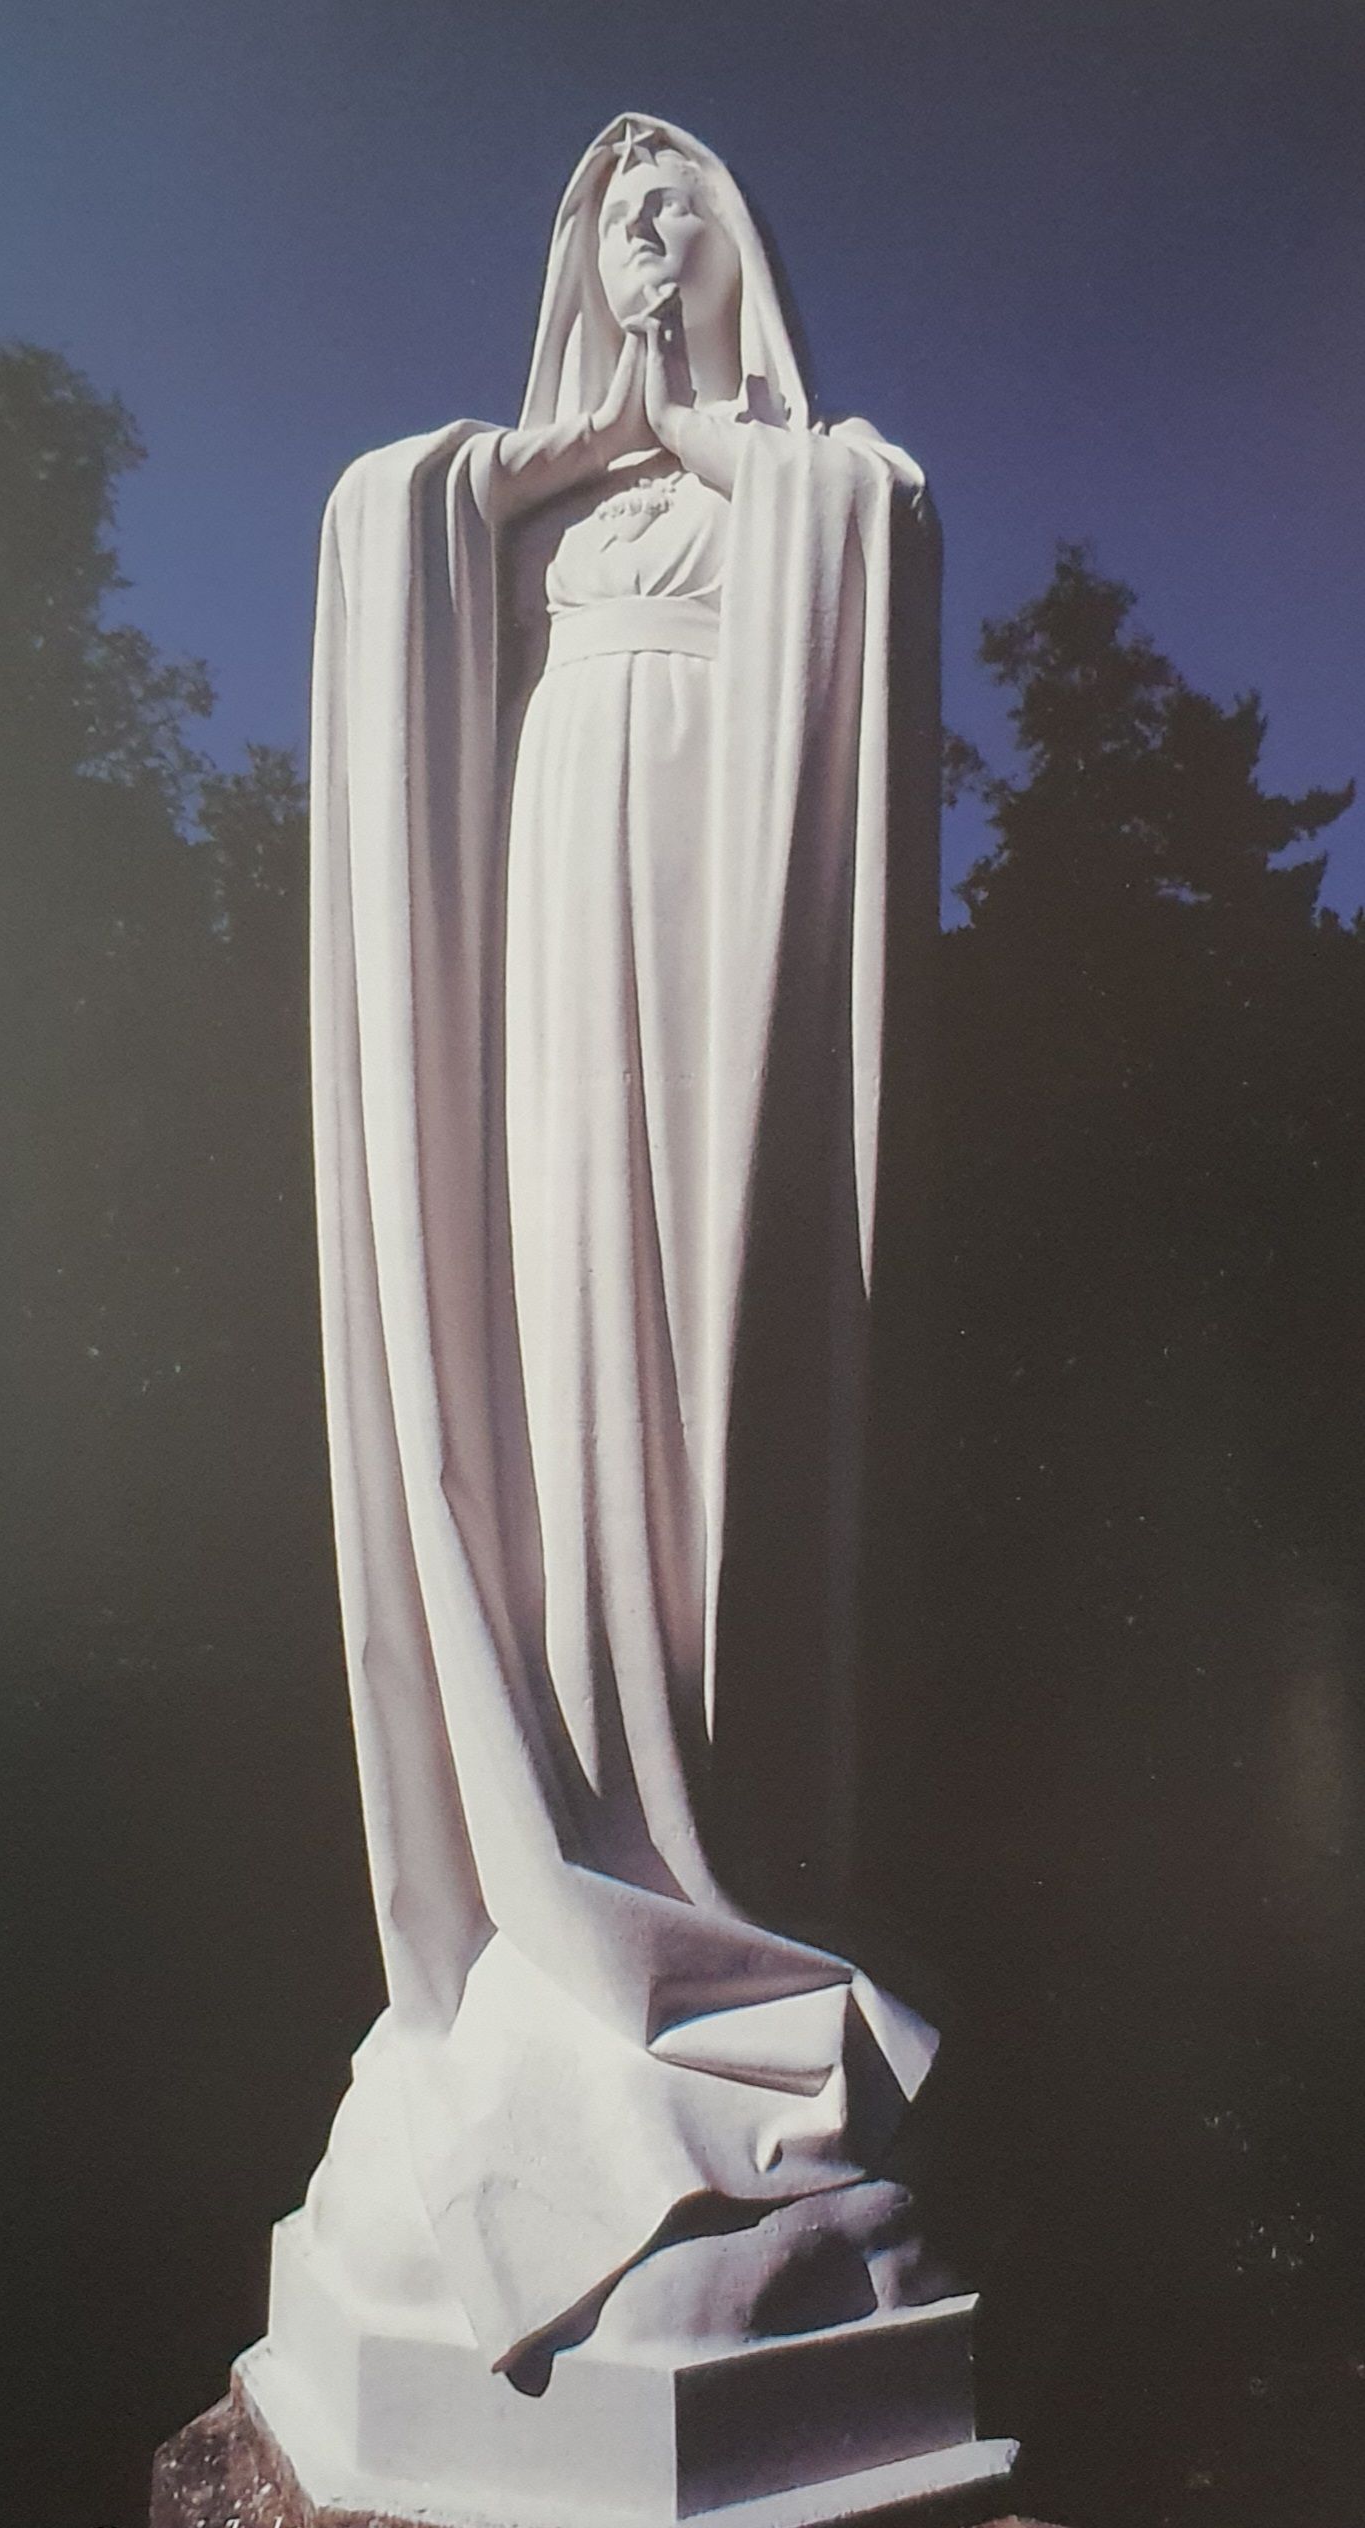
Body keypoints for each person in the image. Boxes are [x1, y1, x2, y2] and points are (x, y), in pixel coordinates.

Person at [299, 113, 945, 2381]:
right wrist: (541, 464)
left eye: (680, 211)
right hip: (555, 895)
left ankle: (703, 1895)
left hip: (711, 899)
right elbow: (380, 543)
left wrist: (713, 445)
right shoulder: (506, 498)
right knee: (555, 1333)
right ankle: (557, 1870)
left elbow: (871, 537)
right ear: (578, 260)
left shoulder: (813, 485)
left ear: (732, 251)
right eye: (613, 217)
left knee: (698, 1360)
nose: (647, 240)